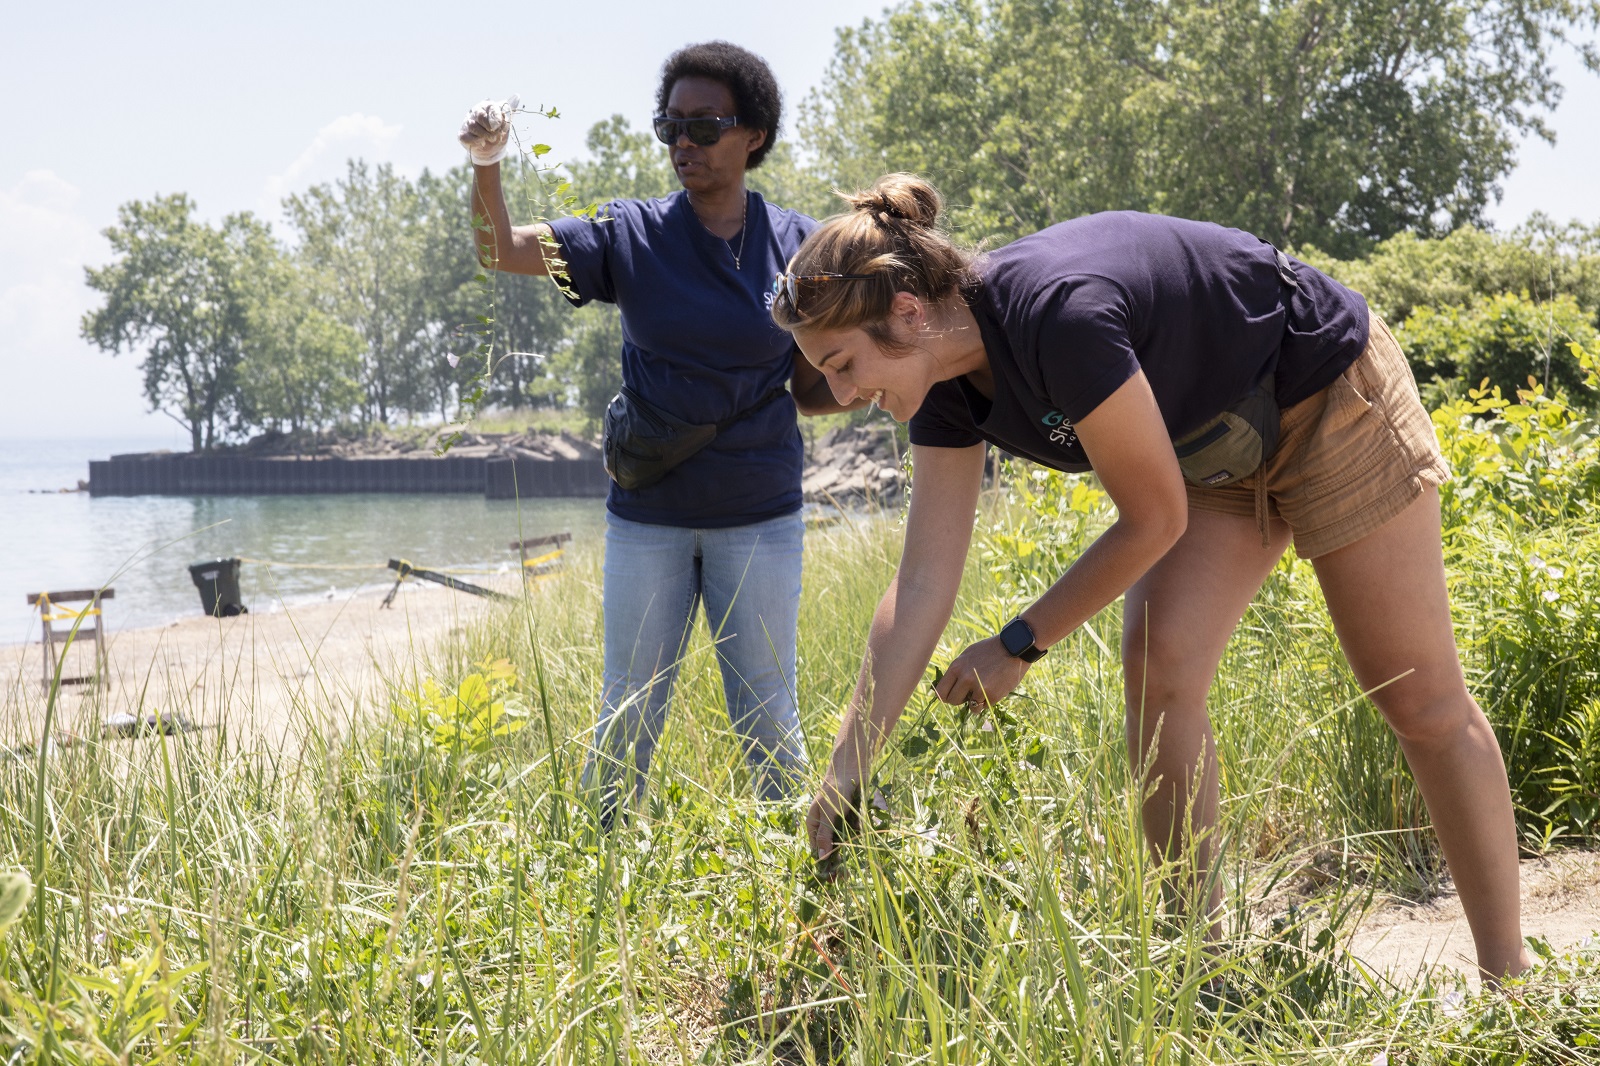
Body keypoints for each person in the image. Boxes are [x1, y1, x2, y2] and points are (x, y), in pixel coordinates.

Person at [769, 173, 1531, 981]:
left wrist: (1019, 643)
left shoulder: (1057, 315)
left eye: (844, 365)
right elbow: (921, 581)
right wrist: (847, 765)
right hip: (1207, 445)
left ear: (909, 314)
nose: (844, 395)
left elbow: (1154, 520)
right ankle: (1198, 975)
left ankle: (1508, 982)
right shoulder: (942, 388)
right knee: (1158, 664)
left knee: (1413, 694)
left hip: (1319, 387)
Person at [458, 42, 848, 821]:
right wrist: (487, 162)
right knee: (627, 710)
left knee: (769, 712)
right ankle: (602, 876)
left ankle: (802, 878)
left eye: (705, 127)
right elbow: (497, 249)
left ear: (755, 136)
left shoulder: (800, 246)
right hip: (649, 519)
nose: (683, 144)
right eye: (670, 126)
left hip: (761, 515)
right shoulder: (628, 235)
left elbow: (822, 385)